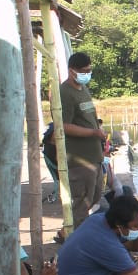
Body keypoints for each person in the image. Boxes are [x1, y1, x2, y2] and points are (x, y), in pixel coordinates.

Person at [58, 52, 107, 238]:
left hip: (94, 157)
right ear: (72, 71)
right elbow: (63, 126)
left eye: (89, 70)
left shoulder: (83, 89)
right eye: (84, 71)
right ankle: (76, 239)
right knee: (81, 203)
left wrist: (98, 129)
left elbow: (87, 117)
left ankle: (73, 234)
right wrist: (93, 133)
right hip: (79, 160)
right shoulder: (65, 93)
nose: (88, 74)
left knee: (95, 198)